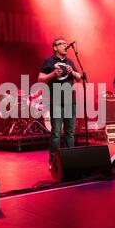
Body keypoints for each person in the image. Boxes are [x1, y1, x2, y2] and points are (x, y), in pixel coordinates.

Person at [38, 37, 81, 165]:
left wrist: (72, 72)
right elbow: (40, 78)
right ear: (55, 47)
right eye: (62, 44)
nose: (65, 46)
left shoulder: (70, 61)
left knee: (70, 132)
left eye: (66, 44)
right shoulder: (49, 61)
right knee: (56, 132)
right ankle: (54, 160)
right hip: (56, 99)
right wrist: (53, 74)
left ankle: (71, 158)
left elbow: (79, 77)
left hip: (69, 99)